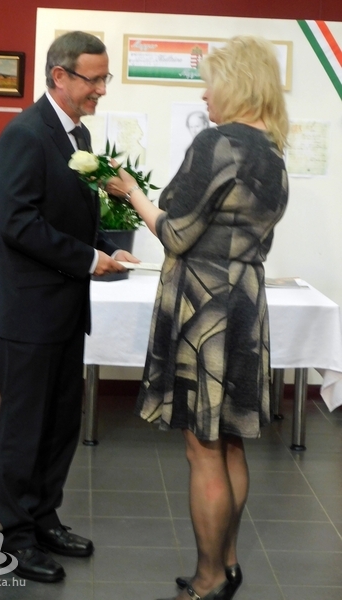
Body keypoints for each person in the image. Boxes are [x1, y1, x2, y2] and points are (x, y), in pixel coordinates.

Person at [106, 35, 289, 600]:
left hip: (203, 307)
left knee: (202, 448)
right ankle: (228, 564)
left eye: (210, 85)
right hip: (245, 303)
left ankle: (208, 580)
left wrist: (131, 193)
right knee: (230, 442)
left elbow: (177, 234)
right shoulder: (273, 153)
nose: (205, 96)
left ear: (236, 84)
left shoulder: (218, 142)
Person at [0, 31, 138, 584]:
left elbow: (68, 211)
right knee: (25, 428)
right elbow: (18, 223)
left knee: (60, 423)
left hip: (66, 309)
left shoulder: (78, 134)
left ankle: (45, 518)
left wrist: (108, 243)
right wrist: (88, 259)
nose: (101, 90)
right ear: (59, 76)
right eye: (93, 79)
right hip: (28, 312)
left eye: (104, 78)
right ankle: (16, 537)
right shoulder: (24, 134)